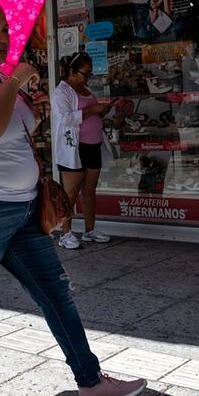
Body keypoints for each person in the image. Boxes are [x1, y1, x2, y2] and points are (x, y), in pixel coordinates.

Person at [0, 0, 146, 396]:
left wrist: (34, 108)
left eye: (4, 30)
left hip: (21, 210)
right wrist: (14, 83)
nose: (2, 38)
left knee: (56, 291)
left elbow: (13, 129)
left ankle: (90, 382)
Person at [51, 51, 116, 249]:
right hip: (74, 148)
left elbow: (89, 113)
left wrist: (102, 111)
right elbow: (66, 118)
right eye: (84, 73)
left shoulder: (85, 88)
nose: (87, 77)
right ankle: (66, 232)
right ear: (71, 71)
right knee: (70, 192)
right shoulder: (61, 92)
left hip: (93, 145)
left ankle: (90, 229)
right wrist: (93, 110)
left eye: (89, 74)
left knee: (89, 190)